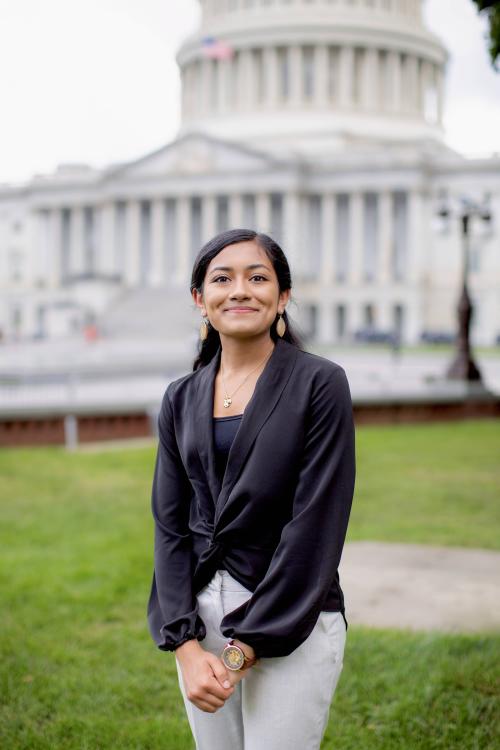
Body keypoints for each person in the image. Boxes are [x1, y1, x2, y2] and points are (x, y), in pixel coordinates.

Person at [147, 228, 356, 750]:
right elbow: (171, 526)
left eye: (257, 277)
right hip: (200, 618)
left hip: (293, 616)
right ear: (201, 299)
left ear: (282, 296)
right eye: (222, 278)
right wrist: (186, 646)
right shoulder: (180, 397)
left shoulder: (320, 383)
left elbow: (315, 526)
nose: (240, 290)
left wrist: (244, 651)